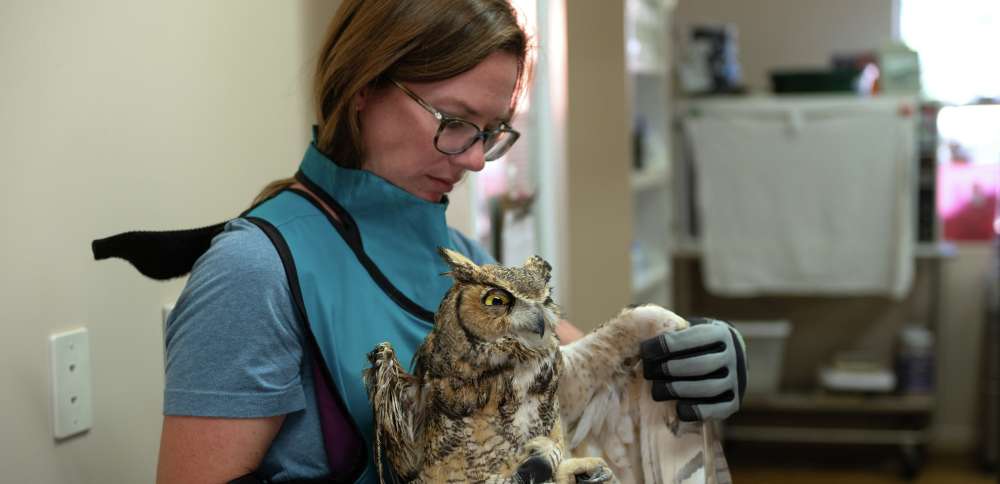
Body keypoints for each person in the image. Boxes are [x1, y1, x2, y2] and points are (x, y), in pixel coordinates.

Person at [146, 1, 747, 483]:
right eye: (454, 122)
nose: (478, 160)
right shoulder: (254, 271)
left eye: (490, 132)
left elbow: (581, 374)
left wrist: (681, 355)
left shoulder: (461, 259)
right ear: (363, 88)